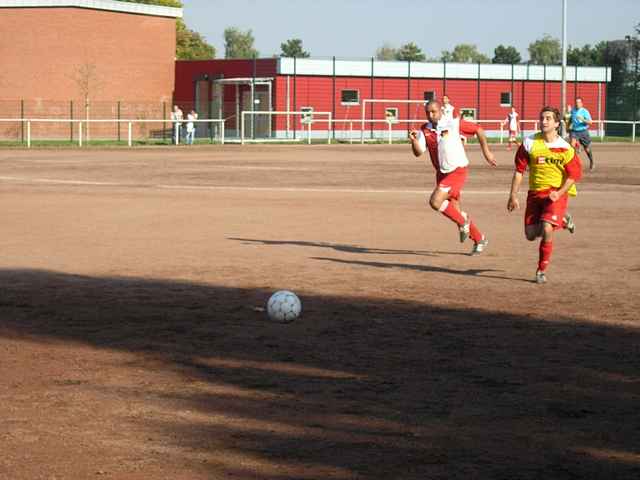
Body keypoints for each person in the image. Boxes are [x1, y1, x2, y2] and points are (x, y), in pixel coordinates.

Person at [409, 100, 497, 255]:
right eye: (427, 112)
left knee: (435, 202)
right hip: (441, 173)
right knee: (455, 212)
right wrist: (414, 141)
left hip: (457, 171)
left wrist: (487, 153)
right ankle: (479, 238)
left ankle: (464, 222)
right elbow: (418, 153)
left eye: (434, 112)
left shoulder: (453, 123)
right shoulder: (425, 129)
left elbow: (479, 130)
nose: (430, 115)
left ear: (441, 111)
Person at [507, 106, 582, 284]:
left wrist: (560, 192)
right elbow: (519, 171)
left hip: (555, 194)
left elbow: (574, 176)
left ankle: (541, 270)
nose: (544, 121)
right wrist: (513, 195)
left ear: (557, 123)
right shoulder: (530, 143)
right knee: (531, 234)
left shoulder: (565, 148)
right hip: (535, 195)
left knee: (547, 228)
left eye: (548, 118)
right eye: (542, 118)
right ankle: (563, 220)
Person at [570, 97, 595, 171]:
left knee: (587, 149)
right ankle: (574, 164)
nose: (577, 104)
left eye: (579, 102)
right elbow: (569, 119)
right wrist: (567, 113)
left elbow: (590, 122)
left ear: (581, 103)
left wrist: (582, 119)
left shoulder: (585, 111)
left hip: (583, 132)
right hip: (574, 131)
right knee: (572, 145)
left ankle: (592, 162)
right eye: (576, 102)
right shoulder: (573, 110)